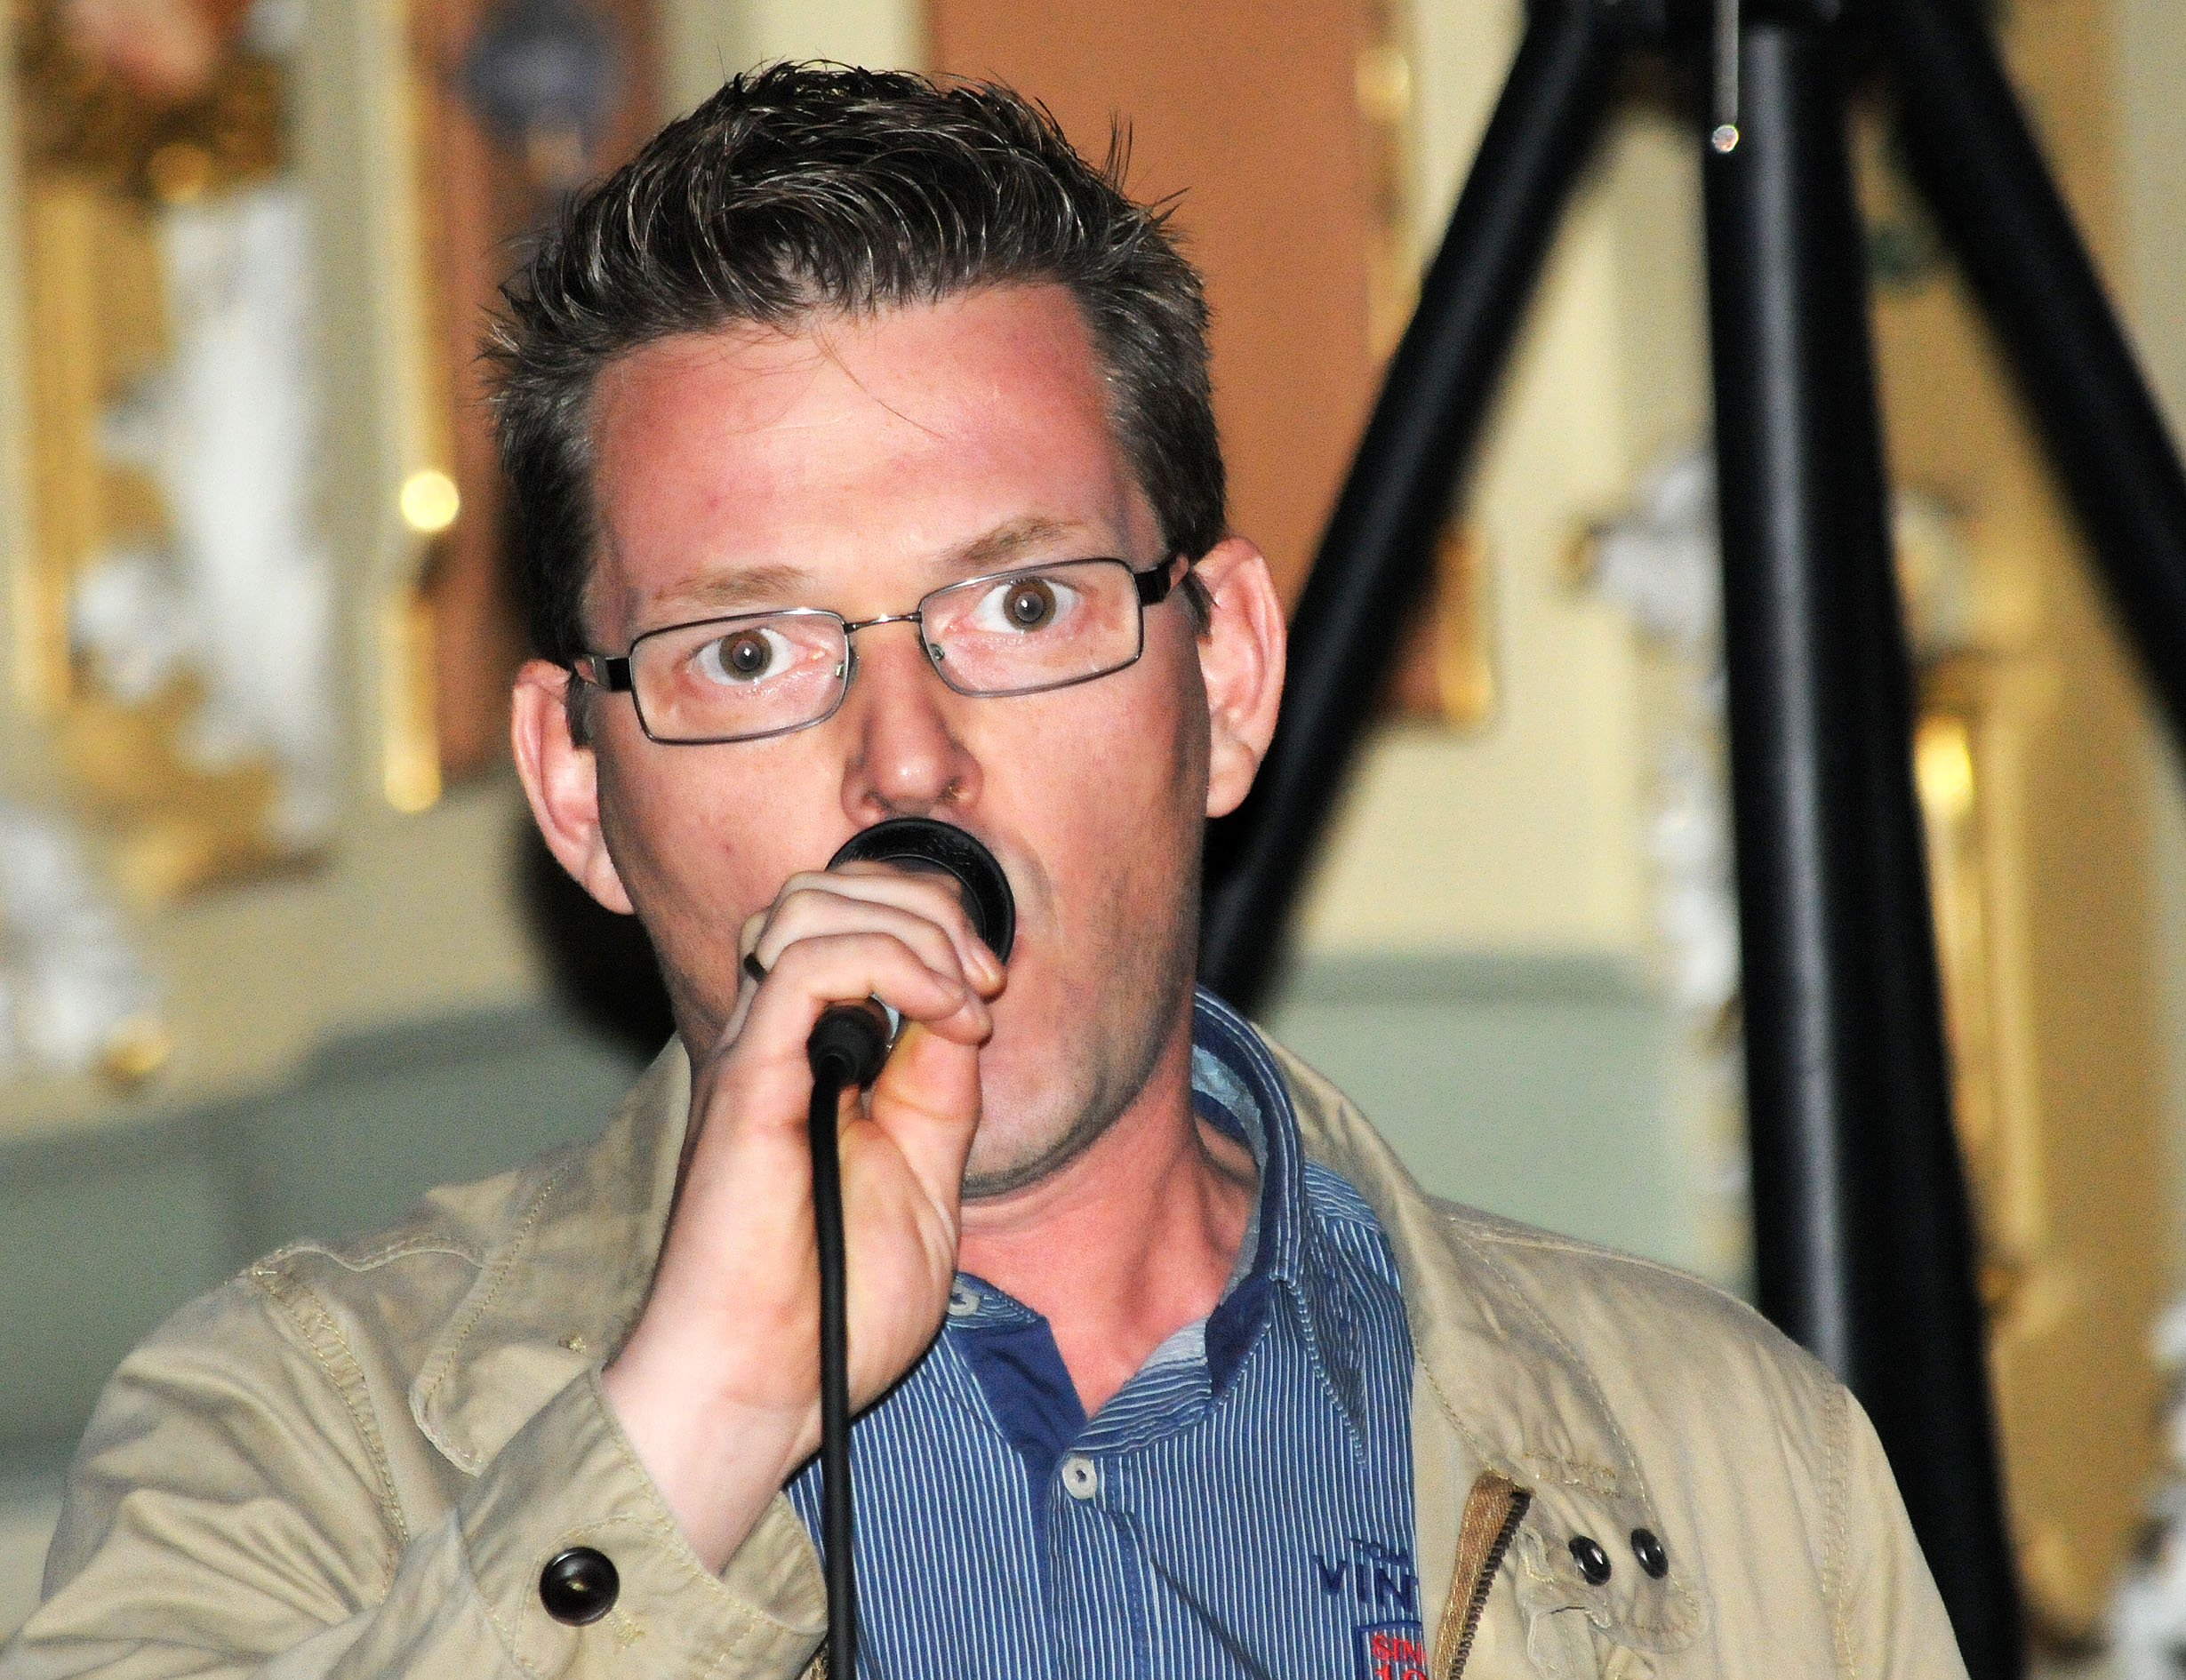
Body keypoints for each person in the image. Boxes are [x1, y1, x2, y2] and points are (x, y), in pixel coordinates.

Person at [4, 65, 1966, 1680]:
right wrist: (693, 1428)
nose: (907, 758)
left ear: (1225, 677)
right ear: (577, 788)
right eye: (748, 652)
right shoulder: (295, 1438)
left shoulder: (1729, 1461)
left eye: (1022, 606)